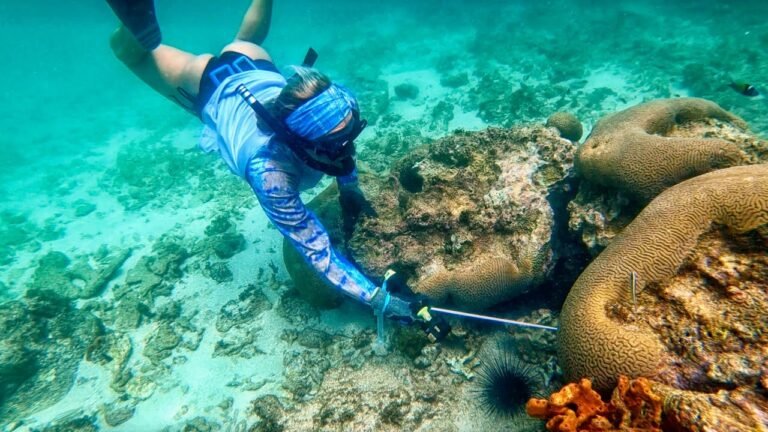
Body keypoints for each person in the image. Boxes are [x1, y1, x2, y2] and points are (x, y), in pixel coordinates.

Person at [105, 0, 432, 328]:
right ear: (300, 144)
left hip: (251, 65)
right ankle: (132, 29)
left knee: (246, 41)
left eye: (352, 132)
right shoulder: (270, 173)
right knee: (132, 52)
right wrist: (382, 300)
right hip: (209, 83)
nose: (347, 151)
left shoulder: (327, 131)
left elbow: (339, 147)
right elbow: (317, 251)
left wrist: (350, 191)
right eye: (335, 144)